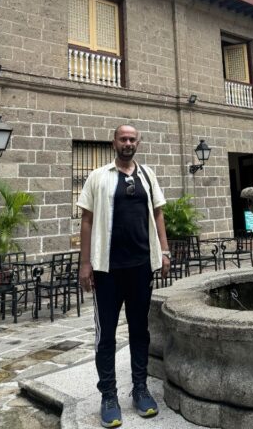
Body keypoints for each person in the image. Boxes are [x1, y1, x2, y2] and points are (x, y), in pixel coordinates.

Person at [78, 125, 169, 428]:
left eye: (132, 139)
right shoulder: (99, 177)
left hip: (141, 266)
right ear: (114, 142)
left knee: (140, 330)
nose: (128, 143)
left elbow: (158, 213)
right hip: (107, 269)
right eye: (123, 138)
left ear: (137, 143)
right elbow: (87, 220)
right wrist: (85, 264)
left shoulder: (147, 175)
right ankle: (108, 396)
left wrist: (165, 252)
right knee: (106, 335)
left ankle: (140, 390)